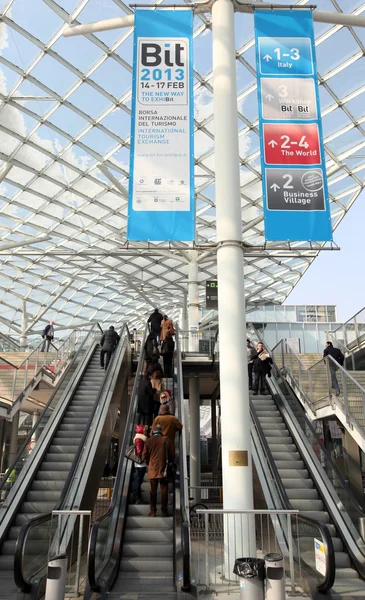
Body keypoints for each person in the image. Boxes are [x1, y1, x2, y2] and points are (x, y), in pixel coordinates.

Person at [142, 423, 172, 517]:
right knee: (164, 490)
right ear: (161, 431)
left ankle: (153, 511)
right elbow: (171, 454)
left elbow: (144, 456)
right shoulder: (166, 440)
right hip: (164, 469)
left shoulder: (149, 441)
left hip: (153, 468)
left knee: (153, 491)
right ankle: (164, 511)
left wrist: (148, 462)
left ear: (154, 431)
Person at [132, 424, 148, 504]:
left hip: (140, 463)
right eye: (144, 429)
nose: (145, 430)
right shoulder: (139, 438)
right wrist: (144, 457)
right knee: (138, 479)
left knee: (138, 479)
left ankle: (136, 494)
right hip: (140, 463)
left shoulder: (139, 437)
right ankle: (137, 496)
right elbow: (139, 451)